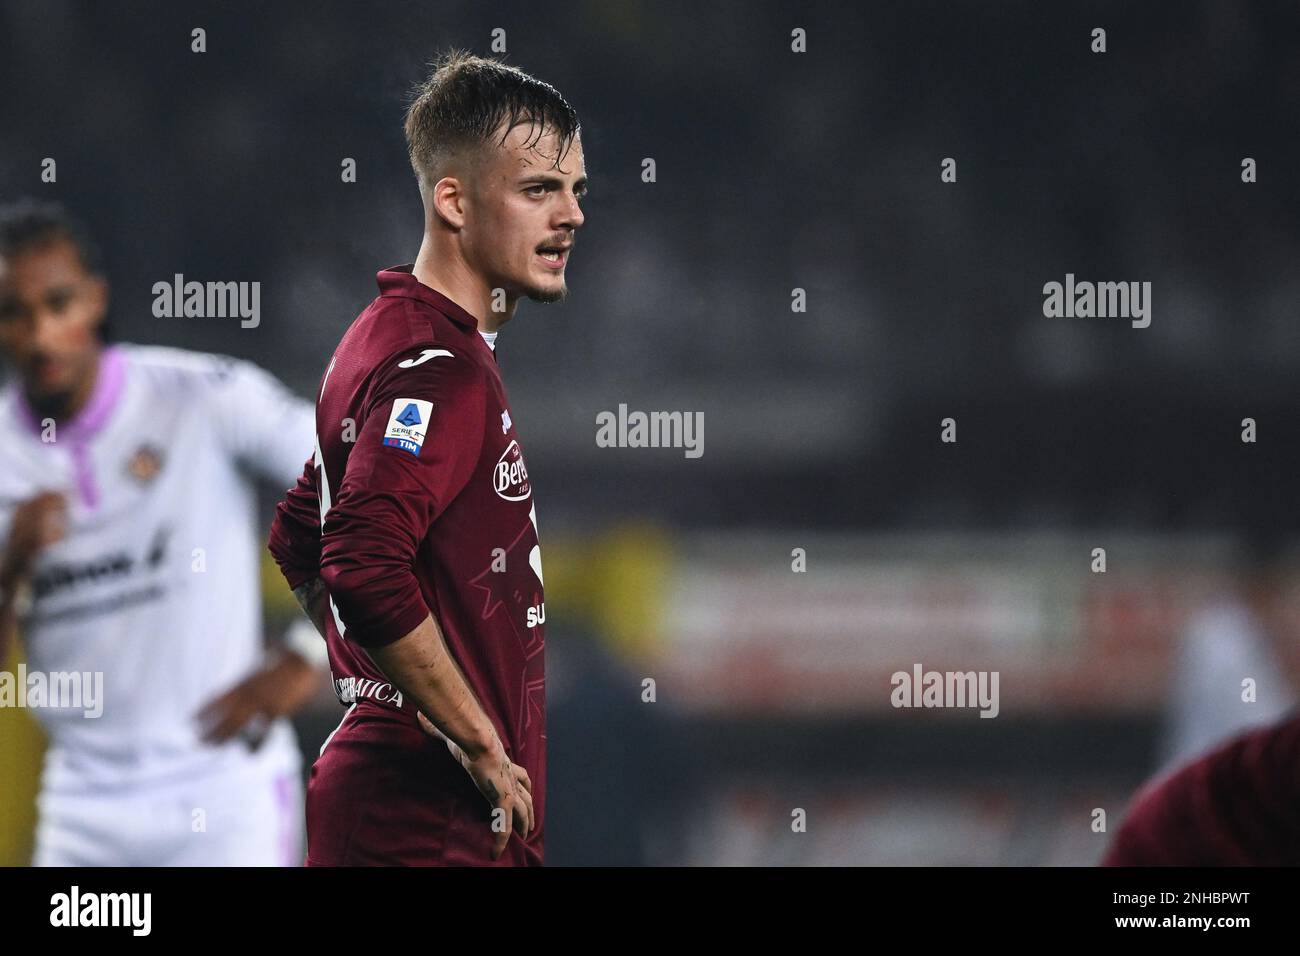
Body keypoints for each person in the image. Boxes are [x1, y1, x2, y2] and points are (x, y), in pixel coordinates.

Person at [268, 50, 585, 865]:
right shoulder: (440, 372)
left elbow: (302, 533)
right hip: (427, 823)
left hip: (407, 808)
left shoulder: (383, 339)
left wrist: (386, 686)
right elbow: (362, 562)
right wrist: (467, 733)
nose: (572, 214)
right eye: (538, 189)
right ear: (454, 201)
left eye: (575, 190)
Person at [0, 199, 325, 866]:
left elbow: (378, 489)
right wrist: (11, 568)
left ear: (95, 297)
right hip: (82, 812)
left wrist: (313, 650)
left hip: (224, 795)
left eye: (58, 303)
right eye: (13, 313)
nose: (40, 335)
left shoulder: (201, 398)